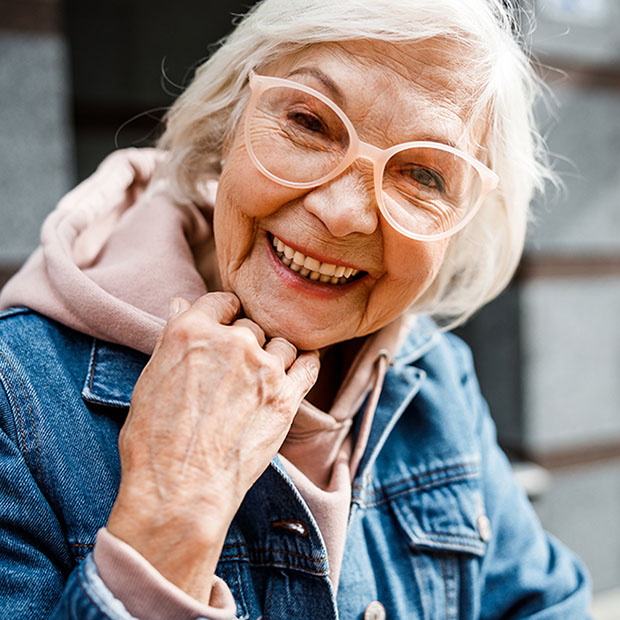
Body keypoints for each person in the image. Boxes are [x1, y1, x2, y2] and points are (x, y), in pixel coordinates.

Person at [0, 0, 592, 618]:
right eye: (309, 123)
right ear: (227, 122)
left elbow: (547, 604)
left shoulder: (434, 375)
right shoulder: (17, 397)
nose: (342, 211)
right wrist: (172, 519)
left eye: (422, 175)